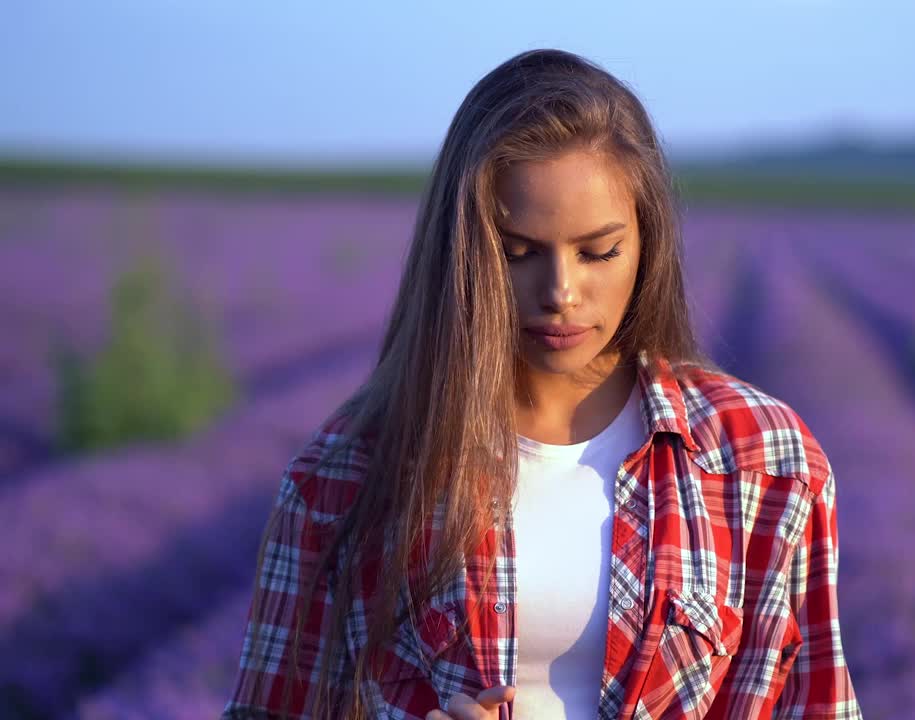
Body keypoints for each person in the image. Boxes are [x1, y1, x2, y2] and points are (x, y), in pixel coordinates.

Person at [222, 48, 863, 720]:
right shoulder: (348, 474)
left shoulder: (765, 464)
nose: (560, 291)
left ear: (648, 245)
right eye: (517, 253)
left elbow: (818, 705)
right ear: (461, 252)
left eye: (598, 251)